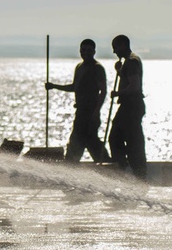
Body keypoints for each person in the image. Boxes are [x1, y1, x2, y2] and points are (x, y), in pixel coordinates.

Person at [45, 39, 111, 164]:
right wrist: (54, 86)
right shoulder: (79, 67)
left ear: (94, 51)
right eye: (83, 50)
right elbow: (74, 87)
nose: (85, 52)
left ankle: (106, 165)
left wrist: (97, 111)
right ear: (80, 50)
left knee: (89, 140)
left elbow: (103, 91)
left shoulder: (97, 68)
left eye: (89, 50)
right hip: (80, 112)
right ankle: (71, 164)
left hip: (91, 112)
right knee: (80, 140)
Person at [108, 34, 146, 179]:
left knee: (126, 139)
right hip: (130, 106)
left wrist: (118, 93)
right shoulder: (129, 62)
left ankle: (129, 170)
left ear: (123, 45)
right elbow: (129, 80)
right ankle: (129, 168)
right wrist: (119, 71)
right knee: (122, 138)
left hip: (131, 107)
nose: (114, 52)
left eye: (115, 47)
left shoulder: (131, 62)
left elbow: (134, 86)